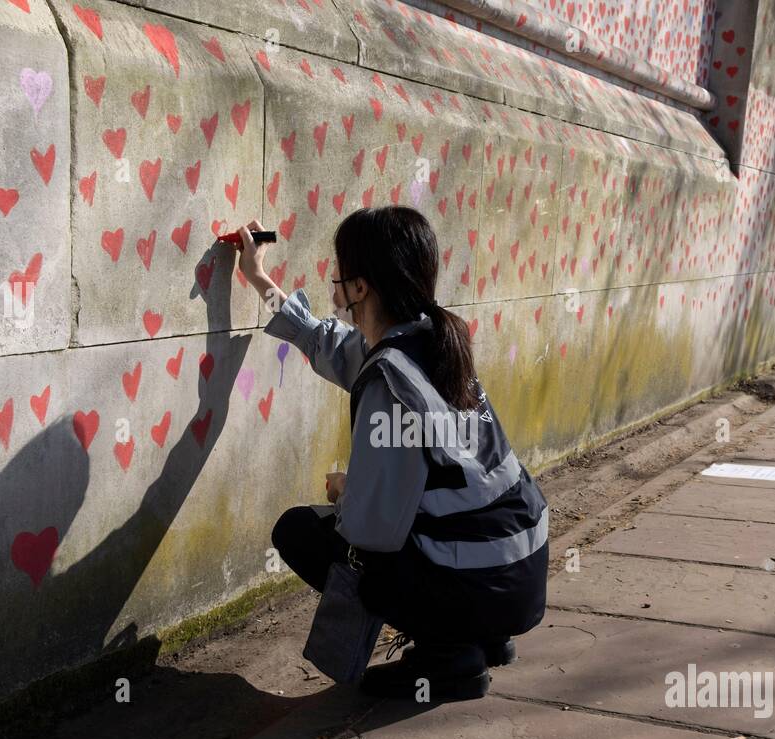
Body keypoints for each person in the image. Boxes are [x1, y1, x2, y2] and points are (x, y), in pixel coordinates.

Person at [231, 207, 550, 701]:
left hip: (482, 587)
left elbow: (371, 530)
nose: (334, 289)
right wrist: (258, 278)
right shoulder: (430, 341)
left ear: (360, 287)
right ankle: (480, 635)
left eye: (339, 275)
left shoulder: (390, 382)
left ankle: (448, 656)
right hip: (518, 572)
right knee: (413, 535)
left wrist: (346, 491)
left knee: (300, 533)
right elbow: (321, 339)